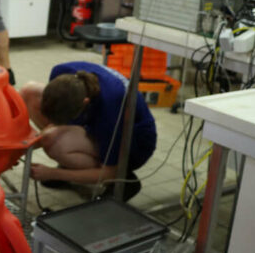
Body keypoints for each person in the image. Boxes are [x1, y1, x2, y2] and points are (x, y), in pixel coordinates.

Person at [19, 61, 157, 201]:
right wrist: (18, 149)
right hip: (97, 117)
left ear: (85, 103)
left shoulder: (110, 113)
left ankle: (122, 179)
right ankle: (74, 162)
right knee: (29, 92)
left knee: (54, 142)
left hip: (136, 144)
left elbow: (108, 172)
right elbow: (53, 118)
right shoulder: (61, 72)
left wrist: (53, 173)